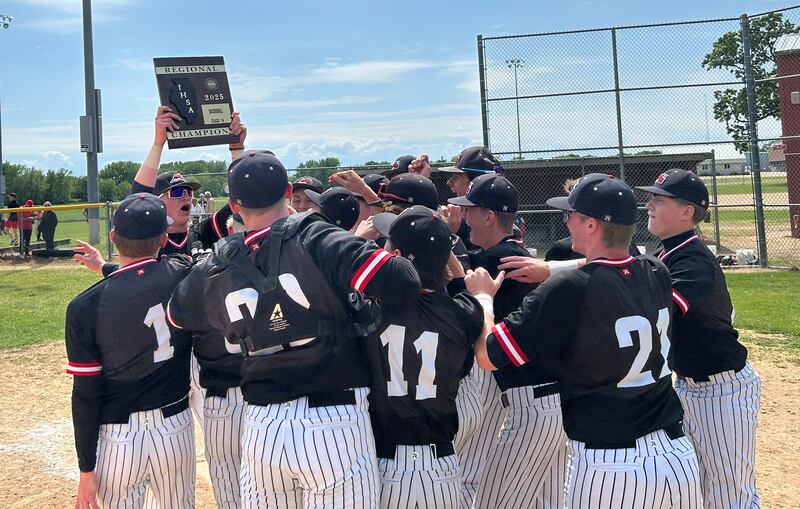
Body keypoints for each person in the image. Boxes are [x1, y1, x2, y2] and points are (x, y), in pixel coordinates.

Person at [167, 150, 422, 508]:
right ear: (288, 192)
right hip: (335, 420)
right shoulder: (318, 238)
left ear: (234, 205)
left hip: (260, 426)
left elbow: (177, 315)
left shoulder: (218, 263)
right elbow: (404, 282)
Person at [467, 173, 702, 508]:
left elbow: (488, 356)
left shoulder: (568, 290)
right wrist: (550, 268)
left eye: (571, 215)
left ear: (591, 225)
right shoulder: (655, 271)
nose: (567, 222)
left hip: (612, 466)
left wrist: (483, 299)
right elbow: (616, 260)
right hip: (677, 457)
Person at [636, 169, 760, 509]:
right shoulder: (668, 254)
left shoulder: (694, 262)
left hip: (721, 391)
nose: (649, 206)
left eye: (658, 200)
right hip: (689, 386)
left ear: (686, 211)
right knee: (693, 485)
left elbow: (651, 309)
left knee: (729, 493)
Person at [67, 193, 195, 508]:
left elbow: (85, 393)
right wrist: (104, 267)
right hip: (174, 428)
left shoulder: (84, 306)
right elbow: (147, 275)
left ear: (112, 237)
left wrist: (86, 469)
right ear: (164, 238)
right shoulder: (182, 272)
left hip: (119, 438)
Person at [448, 173, 566, 509]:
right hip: (556, 399)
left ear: (488, 216)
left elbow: (464, 321)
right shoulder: (520, 253)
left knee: (492, 501)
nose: (465, 216)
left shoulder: (493, 259)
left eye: (470, 209)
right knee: (548, 501)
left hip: (531, 405)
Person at [366, 206, 486, 509]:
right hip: (441, 468)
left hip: (385, 466)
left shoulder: (370, 311)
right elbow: (461, 290)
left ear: (399, 257)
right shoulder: (464, 312)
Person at [438, 146, 504, 252]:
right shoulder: (457, 221)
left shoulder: (497, 228)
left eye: (456, 177)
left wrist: (447, 234)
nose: (449, 183)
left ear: (477, 183)